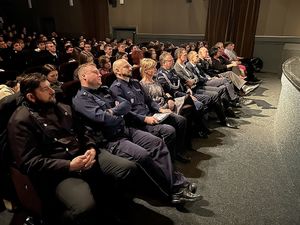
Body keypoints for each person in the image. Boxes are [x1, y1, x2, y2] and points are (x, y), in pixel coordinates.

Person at [7, 73, 137, 225]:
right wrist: (69, 165)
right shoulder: (20, 121)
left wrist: (91, 147)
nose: (52, 91)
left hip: (84, 155)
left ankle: (110, 208)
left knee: (128, 167)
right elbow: (29, 162)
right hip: (59, 170)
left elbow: (84, 132)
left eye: (50, 86)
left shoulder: (62, 106)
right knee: (84, 207)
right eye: (45, 89)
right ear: (31, 96)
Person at [72, 63, 201, 204]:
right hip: (111, 139)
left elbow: (126, 105)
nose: (100, 74)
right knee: (142, 155)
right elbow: (103, 119)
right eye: (95, 72)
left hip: (126, 129)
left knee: (157, 143)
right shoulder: (81, 99)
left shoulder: (104, 90)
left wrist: (112, 112)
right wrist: (116, 113)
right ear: (84, 76)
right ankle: (172, 192)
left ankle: (176, 183)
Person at [110, 59, 192, 163]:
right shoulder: (116, 88)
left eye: (130, 65)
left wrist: (160, 109)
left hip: (151, 114)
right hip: (138, 122)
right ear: (117, 71)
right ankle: (168, 161)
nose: (130, 68)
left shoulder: (135, 83)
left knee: (181, 120)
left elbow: (148, 100)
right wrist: (145, 119)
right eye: (126, 66)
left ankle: (178, 152)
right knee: (169, 130)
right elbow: (126, 113)